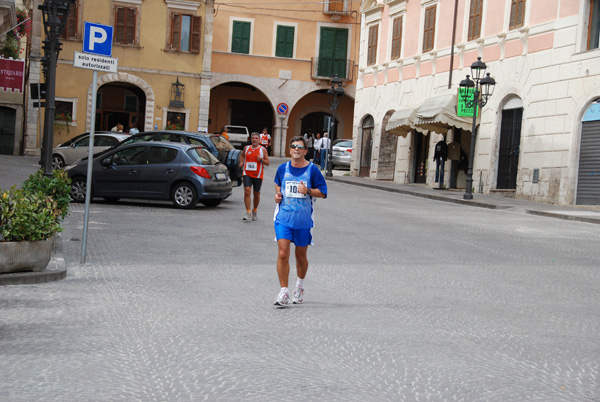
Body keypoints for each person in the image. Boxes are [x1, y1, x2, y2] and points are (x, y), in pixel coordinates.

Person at [273, 136, 327, 307]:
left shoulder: (313, 170)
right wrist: (277, 195)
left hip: (303, 221)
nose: (296, 149)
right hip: (283, 218)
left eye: (300, 147)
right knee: (283, 253)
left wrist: (309, 190)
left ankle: (299, 287)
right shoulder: (282, 169)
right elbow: (278, 184)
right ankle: (283, 291)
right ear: (290, 150)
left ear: (305, 151)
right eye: (293, 146)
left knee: (300, 256)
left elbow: (323, 192)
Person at [240, 132, 270, 221]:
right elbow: (242, 156)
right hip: (247, 173)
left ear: (259, 140)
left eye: (256, 138)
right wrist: (241, 162)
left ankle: (254, 210)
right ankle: (248, 212)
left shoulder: (263, 150)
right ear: (251, 139)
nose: (254, 140)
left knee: (256, 194)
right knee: (247, 191)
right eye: (253, 138)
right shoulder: (246, 148)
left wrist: (261, 160)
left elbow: (267, 163)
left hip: (258, 174)